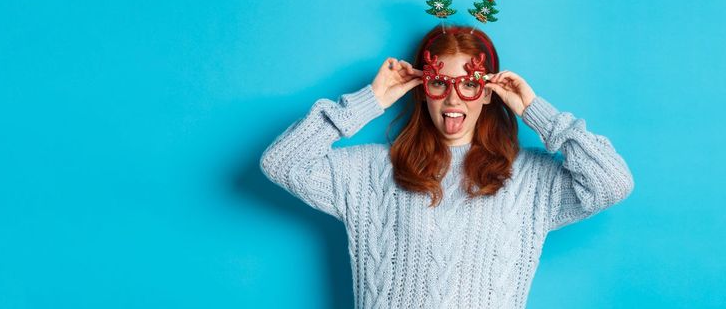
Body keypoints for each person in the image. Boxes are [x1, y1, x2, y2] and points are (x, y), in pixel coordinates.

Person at [259, 25, 634, 309]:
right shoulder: (371, 172)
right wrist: (369, 101)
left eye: (469, 85)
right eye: (440, 83)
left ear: (487, 92)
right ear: (424, 89)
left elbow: (612, 183)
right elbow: (283, 162)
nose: (454, 98)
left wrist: (537, 112)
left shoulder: (528, 180)